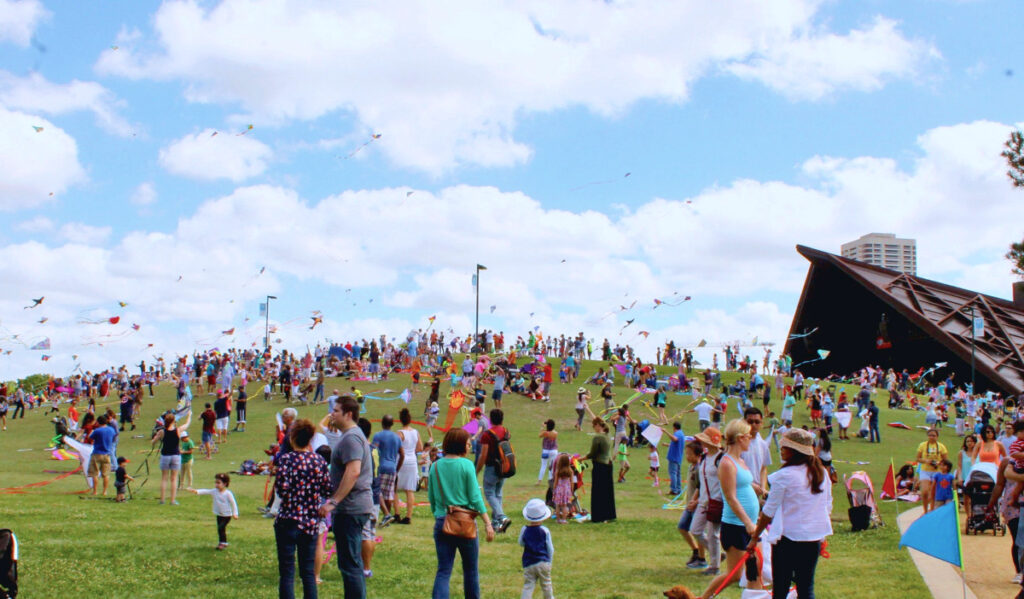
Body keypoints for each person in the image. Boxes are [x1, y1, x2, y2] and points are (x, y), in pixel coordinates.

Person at [748, 428, 833, 599]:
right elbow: (827, 505)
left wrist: (755, 536)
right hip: (812, 538)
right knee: (806, 586)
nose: (781, 449)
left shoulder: (785, 475)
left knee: (781, 586)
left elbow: (768, 511)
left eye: (784, 447)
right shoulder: (822, 473)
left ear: (795, 451)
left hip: (788, 540)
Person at [427, 427, 494, 599]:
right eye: (468, 443)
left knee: (443, 570)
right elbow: (475, 498)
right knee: (470, 570)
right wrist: (487, 521)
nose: (470, 446)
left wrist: (439, 515)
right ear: (459, 445)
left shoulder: (435, 467)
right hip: (465, 524)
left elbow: (432, 498)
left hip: (443, 521)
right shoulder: (466, 465)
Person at [700, 419, 762, 598]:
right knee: (735, 574)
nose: (751, 439)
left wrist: (760, 490)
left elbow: (744, 484)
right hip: (736, 526)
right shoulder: (727, 463)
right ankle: (705, 597)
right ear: (741, 438)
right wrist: (748, 522)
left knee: (755, 568)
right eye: (749, 436)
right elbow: (731, 497)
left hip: (749, 525)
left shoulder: (740, 460)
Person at [319, 396, 373, 598]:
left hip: (351, 508)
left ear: (348, 414)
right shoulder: (351, 436)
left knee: (350, 565)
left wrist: (334, 501)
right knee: (350, 563)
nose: (332, 413)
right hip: (352, 507)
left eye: (336, 411)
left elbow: (354, 471)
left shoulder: (351, 438)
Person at [274, 419, 330, 598]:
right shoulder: (319, 461)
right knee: (307, 572)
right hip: (310, 522)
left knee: (287, 571)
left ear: (292, 438)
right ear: (310, 439)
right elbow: (327, 489)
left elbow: (281, 489)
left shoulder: (285, 460)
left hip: (287, 520)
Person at [690, 427, 723, 576]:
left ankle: (714, 565)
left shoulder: (721, 458)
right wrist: (695, 499)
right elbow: (702, 482)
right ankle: (717, 554)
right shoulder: (705, 457)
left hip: (716, 502)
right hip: (703, 501)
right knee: (695, 530)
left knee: (713, 534)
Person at [476, 409, 512, 533]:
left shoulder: (487, 435)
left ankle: (502, 517)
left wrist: (477, 469)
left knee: (489, 493)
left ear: (490, 420)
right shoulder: (506, 432)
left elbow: (483, 454)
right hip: (504, 466)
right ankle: (497, 524)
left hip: (491, 467)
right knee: (498, 494)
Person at [188, 473, 239, 550]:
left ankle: (223, 543)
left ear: (225, 484)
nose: (216, 484)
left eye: (219, 483)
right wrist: (196, 491)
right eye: (216, 482)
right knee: (220, 529)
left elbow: (233, 503)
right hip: (219, 514)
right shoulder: (214, 491)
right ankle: (222, 542)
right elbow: (206, 491)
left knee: (221, 528)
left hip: (226, 515)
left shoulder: (228, 493)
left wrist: (235, 513)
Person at [519, 498, 555, 599]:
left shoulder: (524, 529)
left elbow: (521, 543)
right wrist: (549, 561)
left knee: (528, 585)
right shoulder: (545, 530)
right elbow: (550, 548)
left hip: (528, 562)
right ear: (543, 517)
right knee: (546, 584)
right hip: (543, 562)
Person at [371, 414, 403, 526]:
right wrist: (397, 468)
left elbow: (374, 450)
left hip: (381, 467)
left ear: (382, 423)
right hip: (392, 468)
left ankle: (386, 515)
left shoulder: (378, 435)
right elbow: (402, 454)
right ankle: (387, 519)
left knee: (377, 491)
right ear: (392, 424)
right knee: (388, 494)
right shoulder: (396, 437)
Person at [152, 411, 190, 505]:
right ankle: (172, 500)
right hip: (175, 456)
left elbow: (153, 441)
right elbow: (187, 424)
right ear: (173, 421)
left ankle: (162, 500)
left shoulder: (162, 431)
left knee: (164, 478)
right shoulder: (178, 430)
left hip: (165, 455)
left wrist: (156, 439)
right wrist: (189, 415)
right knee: (174, 478)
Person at [582, 417, 616, 523]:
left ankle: (598, 516)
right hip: (608, 464)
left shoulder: (598, 437)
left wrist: (581, 458)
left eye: (593, 426)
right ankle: (609, 514)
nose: (593, 428)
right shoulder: (608, 436)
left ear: (597, 425)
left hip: (599, 465)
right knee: (607, 492)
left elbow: (593, 453)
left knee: (598, 492)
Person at [679, 440, 706, 568]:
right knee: (682, 527)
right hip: (689, 505)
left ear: (698, 455)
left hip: (697, 505)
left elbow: (702, 488)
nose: (687, 456)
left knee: (698, 532)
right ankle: (695, 551)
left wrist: (695, 502)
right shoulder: (692, 467)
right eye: (686, 454)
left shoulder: (700, 468)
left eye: (690, 454)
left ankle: (702, 558)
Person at [395, 408, 422, 525]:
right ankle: (408, 516)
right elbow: (420, 448)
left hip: (401, 461)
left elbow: (395, 447)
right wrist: (412, 451)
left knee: (394, 488)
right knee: (409, 490)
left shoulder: (399, 433)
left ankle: (397, 514)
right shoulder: (415, 432)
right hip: (412, 461)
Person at [916, 428, 948, 513]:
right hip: (925, 470)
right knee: (925, 491)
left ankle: (932, 509)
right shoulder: (922, 445)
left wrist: (938, 463)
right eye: (930, 435)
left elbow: (945, 461)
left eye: (933, 435)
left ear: (937, 436)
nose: (931, 437)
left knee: (933, 492)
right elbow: (918, 458)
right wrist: (926, 461)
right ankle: (925, 510)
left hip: (936, 471)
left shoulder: (941, 446)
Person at [740, 408, 771, 495]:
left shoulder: (763, 444)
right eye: (750, 421)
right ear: (744, 422)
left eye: (757, 422)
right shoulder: (738, 443)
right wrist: (751, 485)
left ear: (761, 423)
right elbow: (733, 470)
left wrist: (763, 488)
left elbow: (763, 468)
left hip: (756, 493)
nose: (753, 425)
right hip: (740, 491)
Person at [87, 414, 117, 496]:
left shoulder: (97, 431)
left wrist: (93, 430)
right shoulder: (111, 430)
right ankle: (104, 491)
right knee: (106, 474)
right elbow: (114, 436)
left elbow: (90, 437)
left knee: (95, 474)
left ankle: (95, 491)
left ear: (98, 422)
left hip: (96, 453)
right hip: (107, 454)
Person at [551, 453, 574, 524]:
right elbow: (572, 482)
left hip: (559, 489)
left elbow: (555, 482)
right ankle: (564, 519)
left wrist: (554, 489)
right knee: (565, 505)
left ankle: (558, 520)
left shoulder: (558, 471)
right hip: (566, 490)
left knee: (558, 505)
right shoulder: (570, 471)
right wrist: (571, 490)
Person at [666, 421, 686, 496]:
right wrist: (667, 445)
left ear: (674, 427)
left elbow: (675, 439)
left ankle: (674, 490)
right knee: (677, 474)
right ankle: (678, 489)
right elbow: (676, 443)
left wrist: (666, 432)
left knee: (673, 473)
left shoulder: (677, 434)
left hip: (674, 457)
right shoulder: (682, 434)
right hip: (678, 457)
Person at [537, 419, 558, 485]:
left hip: (545, 450)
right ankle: (550, 480)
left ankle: (539, 481)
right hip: (554, 451)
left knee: (543, 465)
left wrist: (542, 427)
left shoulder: (545, 433)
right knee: (551, 466)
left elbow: (539, 435)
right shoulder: (555, 433)